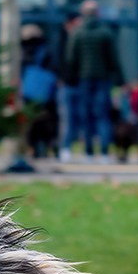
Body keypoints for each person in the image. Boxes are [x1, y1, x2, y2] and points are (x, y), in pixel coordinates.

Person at [66, 0, 123, 163]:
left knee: (86, 117)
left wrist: (71, 78)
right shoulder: (105, 32)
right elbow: (114, 59)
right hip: (102, 79)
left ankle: (89, 153)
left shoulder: (77, 32)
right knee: (103, 116)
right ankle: (104, 152)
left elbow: (71, 58)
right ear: (97, 13)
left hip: (84, 80)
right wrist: (120, 79)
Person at [20, 24, 58, 158]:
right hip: (44, 91)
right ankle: (45, 145)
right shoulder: (45, 50)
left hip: (26, 90)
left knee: (29, 120)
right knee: (44, 119)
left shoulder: (21, 50)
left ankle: (32, 146)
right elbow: (53, 68)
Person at [57, 13, 82, 162]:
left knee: (79, 118)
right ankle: (65, 148)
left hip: (80, 84)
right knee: (67, 119)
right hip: (66, 85)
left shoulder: (80, 40)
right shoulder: (61, 41)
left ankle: (80, 148)